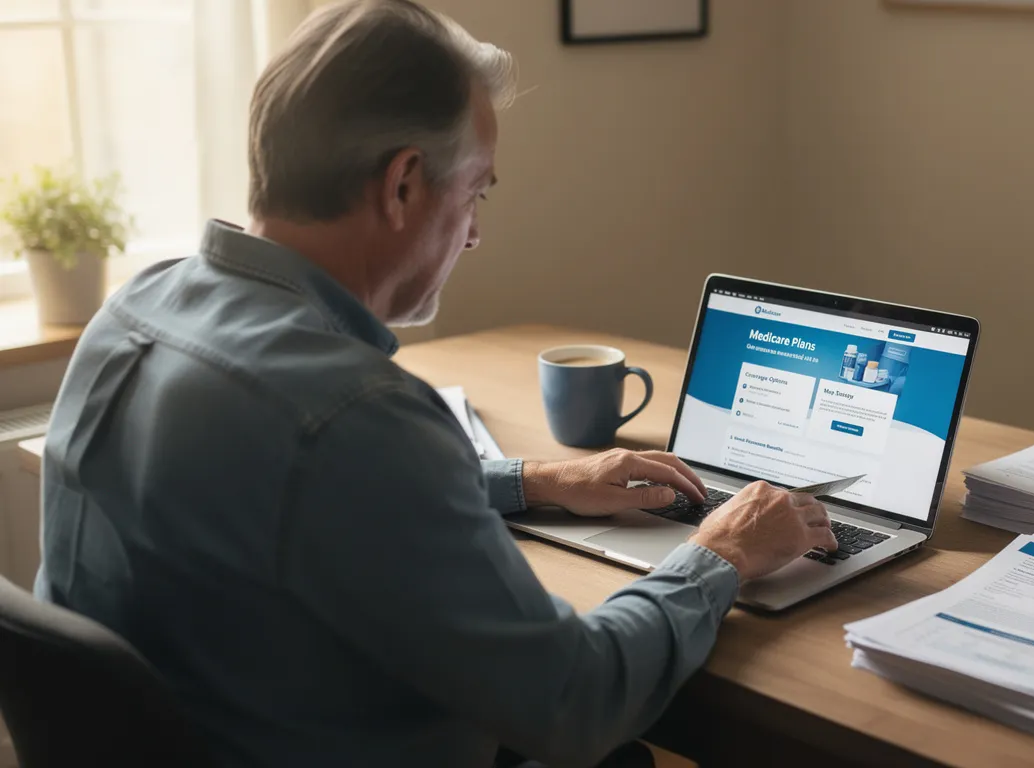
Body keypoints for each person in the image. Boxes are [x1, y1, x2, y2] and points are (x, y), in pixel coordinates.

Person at [34, 1, 839, 767]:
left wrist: (534, 481)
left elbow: (295, 492)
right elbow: (580, 702)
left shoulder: (137, 308)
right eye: (478, 189)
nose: (477, 232)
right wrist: (721, 553)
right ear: (403, 184)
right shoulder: (353, 416)